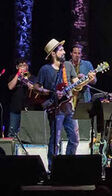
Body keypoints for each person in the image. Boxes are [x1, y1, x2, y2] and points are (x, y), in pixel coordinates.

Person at [34, 39, 95, 168]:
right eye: (61, 50)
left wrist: (87, 80)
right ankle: (53, 168)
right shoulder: (45, 69)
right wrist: (50, 92)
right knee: (55, 140)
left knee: (74, 139)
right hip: (55, 108)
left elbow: (76, 86)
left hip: (68, 107)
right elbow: (36, 87)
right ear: (53, 54)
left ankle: (68, 165)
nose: (64, 52)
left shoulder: (68, 66)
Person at [7, 58, 34, 137]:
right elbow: (10, 87)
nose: (22, 68)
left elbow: (33, 87)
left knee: (28, 133)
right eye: (20, 66)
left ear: (27, 67)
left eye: (24, 65)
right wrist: (18, 74)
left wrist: (26, 79)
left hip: (27, 110)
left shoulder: (32, 77)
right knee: (12, 133)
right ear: (17, 67)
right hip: (15, 109)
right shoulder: (13, 77)